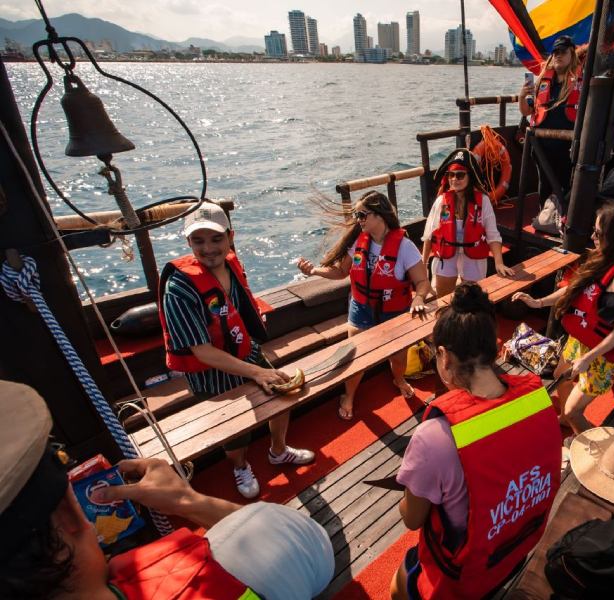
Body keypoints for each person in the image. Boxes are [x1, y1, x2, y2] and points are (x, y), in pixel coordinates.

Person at [0, 380, 334, 600]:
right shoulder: (207, 571)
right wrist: (187, 500)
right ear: (70, 515)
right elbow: (309, 543)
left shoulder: (124, 570)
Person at [390, 283, 561, 600]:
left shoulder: (434, 438)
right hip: (513, 551)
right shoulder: (538, 398)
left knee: (398, 585)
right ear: (495, 347)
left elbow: (411, 519)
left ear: (443, 356)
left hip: (464, 577)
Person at [159, 203, 315, 499]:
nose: (208, 249)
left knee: (285, 392)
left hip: (245, 350)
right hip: (210, 373)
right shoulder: (178, 290)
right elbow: (202, 352)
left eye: (216, 239)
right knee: (236, 428)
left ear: (230, 236)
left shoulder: (231, 263)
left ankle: (278, 451)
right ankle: (240, 466)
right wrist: (257, 373)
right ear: (188, 243)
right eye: (198, 241)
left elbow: (238, 304)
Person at [297, 191, 432, 420]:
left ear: (379, 215)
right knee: (356, 355)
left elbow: (422, 282)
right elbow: (341, 272)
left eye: (362, 214)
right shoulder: (358, 243)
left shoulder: (405, 247)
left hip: (394, 310)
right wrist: (313, 271)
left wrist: (418, 299)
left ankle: (398, 379)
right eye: (356, 214)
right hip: (362, 308)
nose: (357, 219)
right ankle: (348, 395)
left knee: (398, 357)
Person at [512, 204, 614, 434]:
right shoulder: (600, 258)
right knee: (559, 376)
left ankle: (587, 445)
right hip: (581, 340)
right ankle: (564, 419)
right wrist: (539, 302)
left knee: (576, 411)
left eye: (598, 233)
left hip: (603, 354)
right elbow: (573, 289)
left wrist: (588, 359)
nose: (592, 237)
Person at [421, 149, 514, 298]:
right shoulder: (441, 201)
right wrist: (423, 264)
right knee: (443, 298)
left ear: (470, 177)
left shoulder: (483, 202)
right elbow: (428, 234)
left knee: (472, 298)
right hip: (446, 255)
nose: (454, 179)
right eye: (451, 175)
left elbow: (493, 235)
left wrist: (499, 263)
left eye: (460, 175)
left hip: (473, 257)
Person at [518, 34, 584, 207]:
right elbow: (527, 111)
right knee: (545, 184)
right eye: (555, 52)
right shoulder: (542, 82)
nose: (558, 55)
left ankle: (562, 221)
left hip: (568, 146)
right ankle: (544, 217)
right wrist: (522, 96)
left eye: (562, 51)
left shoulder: (582, 82)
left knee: (566, 186)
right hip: (542, 145)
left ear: (572, 53)